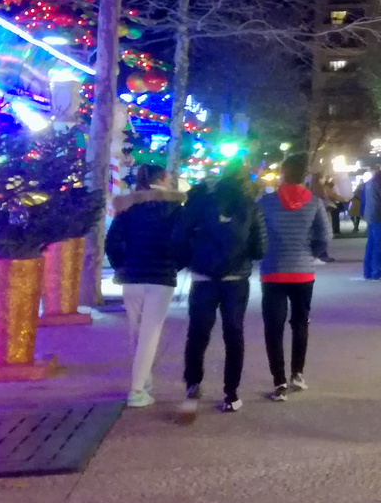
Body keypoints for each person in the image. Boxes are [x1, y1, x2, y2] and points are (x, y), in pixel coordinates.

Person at [175, 168, 267, 416]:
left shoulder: (200, 203)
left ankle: (193, 383)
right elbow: (260, 249)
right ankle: (231, 393)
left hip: (203, 276)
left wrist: (188, 259)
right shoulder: (250, 207)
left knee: (198, 332)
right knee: (234, 334)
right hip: (236, 279)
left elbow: (179, 236)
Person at [106, 165, 186, 407]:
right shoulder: (174, 209)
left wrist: (123, 265)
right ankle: (137, 389)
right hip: (161, 277)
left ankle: (144, 379)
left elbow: (112, 243)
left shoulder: (128, 208)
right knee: (150, 333)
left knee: (137, 332)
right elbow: (183, 242)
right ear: (162, 179)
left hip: (131, 276)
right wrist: (175, 265)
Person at [257, 153, 331, 401]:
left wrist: (263, 253)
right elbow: (325, 236)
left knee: (273, 327)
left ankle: (279, 383)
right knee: (300, 323)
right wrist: (311, 253)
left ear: (283, 174)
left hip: (273, 271)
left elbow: (256, 232)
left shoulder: (265, 202)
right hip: (302, 272)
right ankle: (297, 374)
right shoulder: (314, 202)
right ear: (304, 176)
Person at [361, 165, 381, 280]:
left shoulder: (370, 182)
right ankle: (378, 272)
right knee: (380, 246)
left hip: (370, 215)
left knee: (371, 245)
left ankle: (368, 272)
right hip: (380, 215)